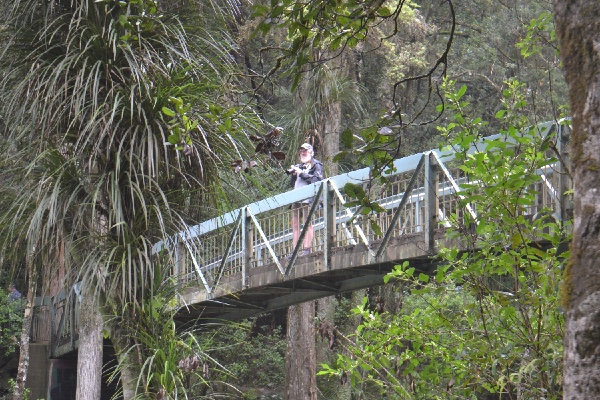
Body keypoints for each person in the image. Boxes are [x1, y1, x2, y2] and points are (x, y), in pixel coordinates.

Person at [289, 143, 324, 256]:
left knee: (306, 223)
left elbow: (316, 180)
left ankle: (306, 248)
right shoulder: (299, 166)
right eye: (301, 151)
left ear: (311, 152)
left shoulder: (316, 165)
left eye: (305, 151)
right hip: (296, 198)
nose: (303, 153)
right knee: (295, 224)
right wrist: (294, 174)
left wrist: (302, 174)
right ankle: (295, 250)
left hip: (307, 199)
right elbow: (292, 184)